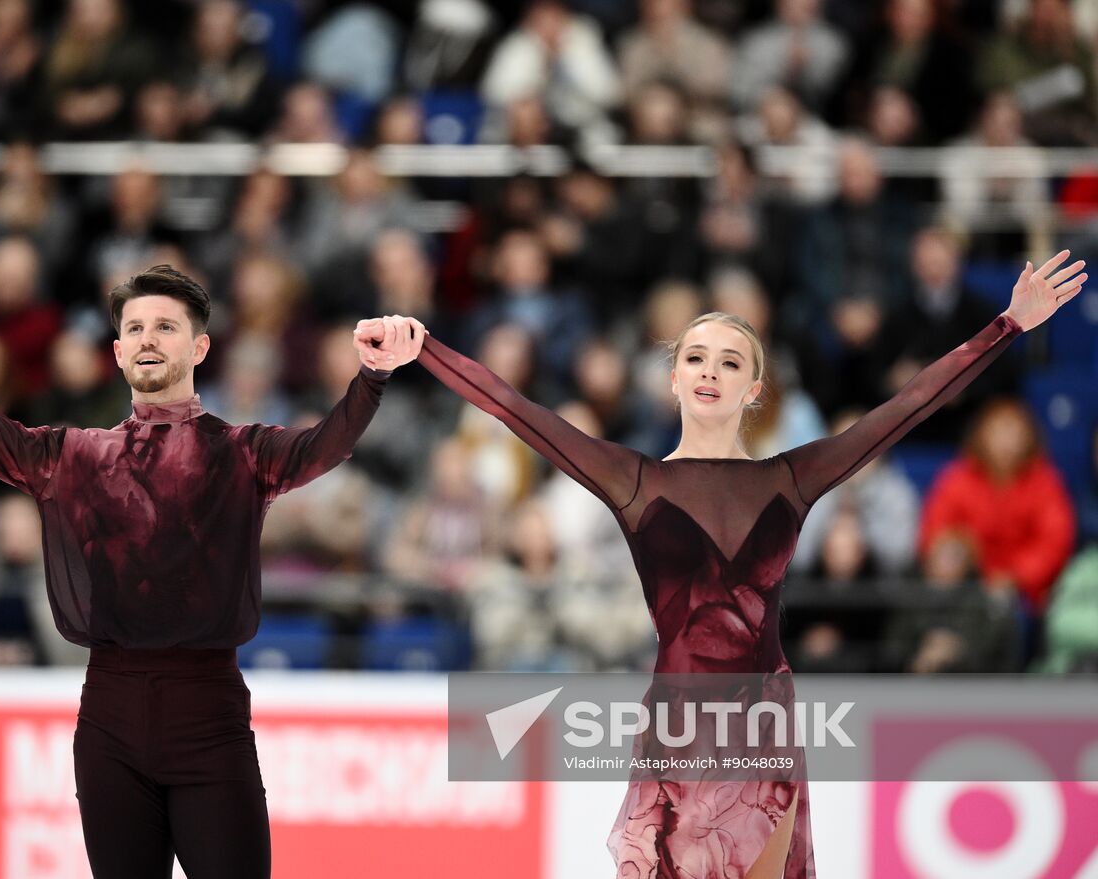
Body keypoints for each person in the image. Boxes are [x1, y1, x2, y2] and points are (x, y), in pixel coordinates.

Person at [361, 250, 1086, 879]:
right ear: (673, 378)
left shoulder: (791, 479)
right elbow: (513, 406)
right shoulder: (633, 479)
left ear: (754, 390)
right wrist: (422, 347)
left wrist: (1008, 325)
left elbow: (907, 407)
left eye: (731, 361)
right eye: (696, 358)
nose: (711, 371)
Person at [0, 263, 423, 878]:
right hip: (108, 722)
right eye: (133, 327)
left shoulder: (242, 453)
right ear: (116, 352)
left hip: (210, 720)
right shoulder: (72, 457)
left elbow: (325, 446)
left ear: (200, 348)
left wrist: (371, 378)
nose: (146, 337)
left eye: (165, 325)